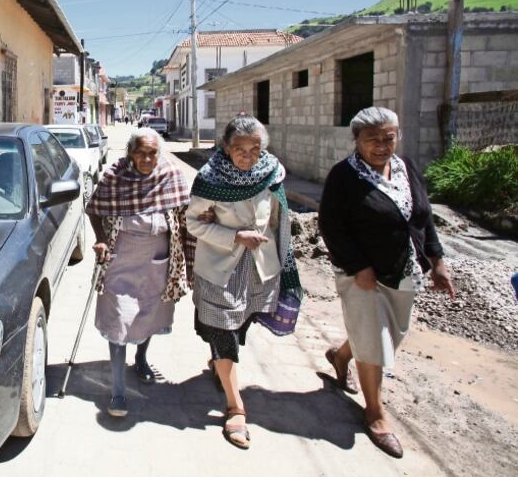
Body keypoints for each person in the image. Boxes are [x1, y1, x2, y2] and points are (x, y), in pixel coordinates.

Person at [319, 106, 455, 459]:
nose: (382, 145)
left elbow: (423, 219)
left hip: (405, 269)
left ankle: (340, 354)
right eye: (372, 139)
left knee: (389, 334)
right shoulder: (343, 177)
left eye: (388, 138)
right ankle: (376, 413)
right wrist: (358, 265)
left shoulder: (407, 168)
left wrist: (437, 261)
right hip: (362, 275)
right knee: (375, 344)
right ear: (357, 140)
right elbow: (331, 227)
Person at [185, 114, 299, 449]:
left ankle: (221, 361)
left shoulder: (271, 172)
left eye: (255, 148)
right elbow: (194, 222)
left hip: (260, 266)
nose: (248, 156)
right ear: (225, 147)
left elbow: (279, 215)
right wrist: (235, 235)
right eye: (240, 148)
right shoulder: (210, 178)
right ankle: (236, 408)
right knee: (224, 330)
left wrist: (283, 251)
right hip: (221, 266)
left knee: (241, 324)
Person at [87, 127, 191, 417]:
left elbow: (186, 213)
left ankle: (141, 359)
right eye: (140, 152)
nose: (146, 158)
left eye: (152, 153)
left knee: (149, 315)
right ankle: (118, 392)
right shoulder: (115, 176)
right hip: (122, 258)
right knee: (120, 320)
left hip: (158, 260)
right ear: (130, 153)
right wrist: (99, 238)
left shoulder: (170, 174)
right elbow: (93, 208)